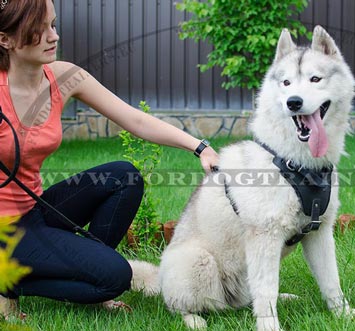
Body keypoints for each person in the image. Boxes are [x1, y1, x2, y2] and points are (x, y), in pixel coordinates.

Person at [0, 0, 219, 320]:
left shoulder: (62, 77)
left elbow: (136, 120)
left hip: (35, 209)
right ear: (5, 39)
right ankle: (10, 284)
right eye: (40, 29)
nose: (54, 36)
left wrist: (201, 148)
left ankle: (90, 269)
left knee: (124, 176)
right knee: (116, 279)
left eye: (53, 24)